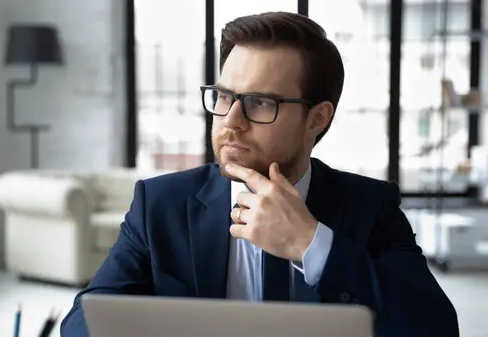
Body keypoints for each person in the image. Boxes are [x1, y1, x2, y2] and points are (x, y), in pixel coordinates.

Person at [61, 11, 459, 337]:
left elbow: (435, 327)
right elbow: (84, 323)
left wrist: (310, 242)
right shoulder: (160, 204)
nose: (230, 121)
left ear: (317, 118)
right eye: (223, 96)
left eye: (259, 102)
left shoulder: (372, 208)